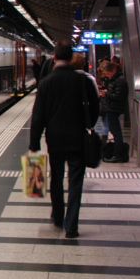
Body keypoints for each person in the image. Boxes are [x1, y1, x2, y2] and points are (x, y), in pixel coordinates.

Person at [29, 42, 100, 238]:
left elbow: (38, 115)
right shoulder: (83, 81)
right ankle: (72, 226)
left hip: (55, 140)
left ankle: (58, 217)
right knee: (76, 182)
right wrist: (88, 125)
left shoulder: (46, 83)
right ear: (70, 59)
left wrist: (34, 143)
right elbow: (95, 107)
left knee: (57, 179)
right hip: (78, 139)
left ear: (54, 58)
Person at [100, 62, 129, 162]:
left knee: (116, 132)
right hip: (111, 108)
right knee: (115, 131)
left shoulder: (120, 81)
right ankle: (117, 154)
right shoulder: (115, 80)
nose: (107, 75)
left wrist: (106, 94)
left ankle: (118, 155)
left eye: (108, 73)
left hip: (114, 109)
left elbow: (118, 96)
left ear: (113, 70)